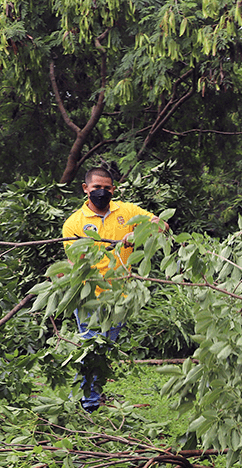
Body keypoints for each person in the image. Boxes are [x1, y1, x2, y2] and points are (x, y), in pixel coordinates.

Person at [61, 167, 167, 412]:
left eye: (107, 188)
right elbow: (76, 261)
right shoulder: (74, 224)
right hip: (89, 297)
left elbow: (162, 225)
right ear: (85, 189)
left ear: (113, 189)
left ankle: (82, 400)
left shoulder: (127, 211)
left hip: (120, 297)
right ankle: (87, 404)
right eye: (96, 187)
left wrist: (138, 232)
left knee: (104, 350)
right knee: (91, 348)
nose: (102, 192)